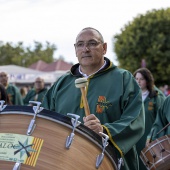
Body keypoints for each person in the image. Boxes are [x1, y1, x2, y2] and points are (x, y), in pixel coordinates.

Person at [42, 27, 145, 170]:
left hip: (110, 162)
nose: (85, 49)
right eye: (80, 44)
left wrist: (104, 131)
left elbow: (135, 119)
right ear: (75, 49)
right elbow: (45, 119)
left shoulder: (123, 79)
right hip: (67, 162)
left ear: (104, 48)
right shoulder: (62, 83)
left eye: (92, 43)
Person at [133, 68, 166, 170]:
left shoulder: (157, 96)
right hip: (134, 139)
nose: (138, 81)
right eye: (136, 78)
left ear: (147, 80)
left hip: (150, 139)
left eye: (141, 79)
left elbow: (162, 120)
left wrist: (154, 136)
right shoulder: (131, 96)